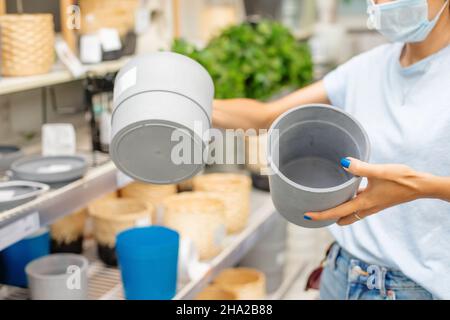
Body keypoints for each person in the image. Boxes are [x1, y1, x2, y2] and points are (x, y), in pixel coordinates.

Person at [213, 0, 450, 300]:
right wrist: (193, 105)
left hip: (416, 290)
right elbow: (266, 117)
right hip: (340, 275)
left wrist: (419, 187)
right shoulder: (367, 67)